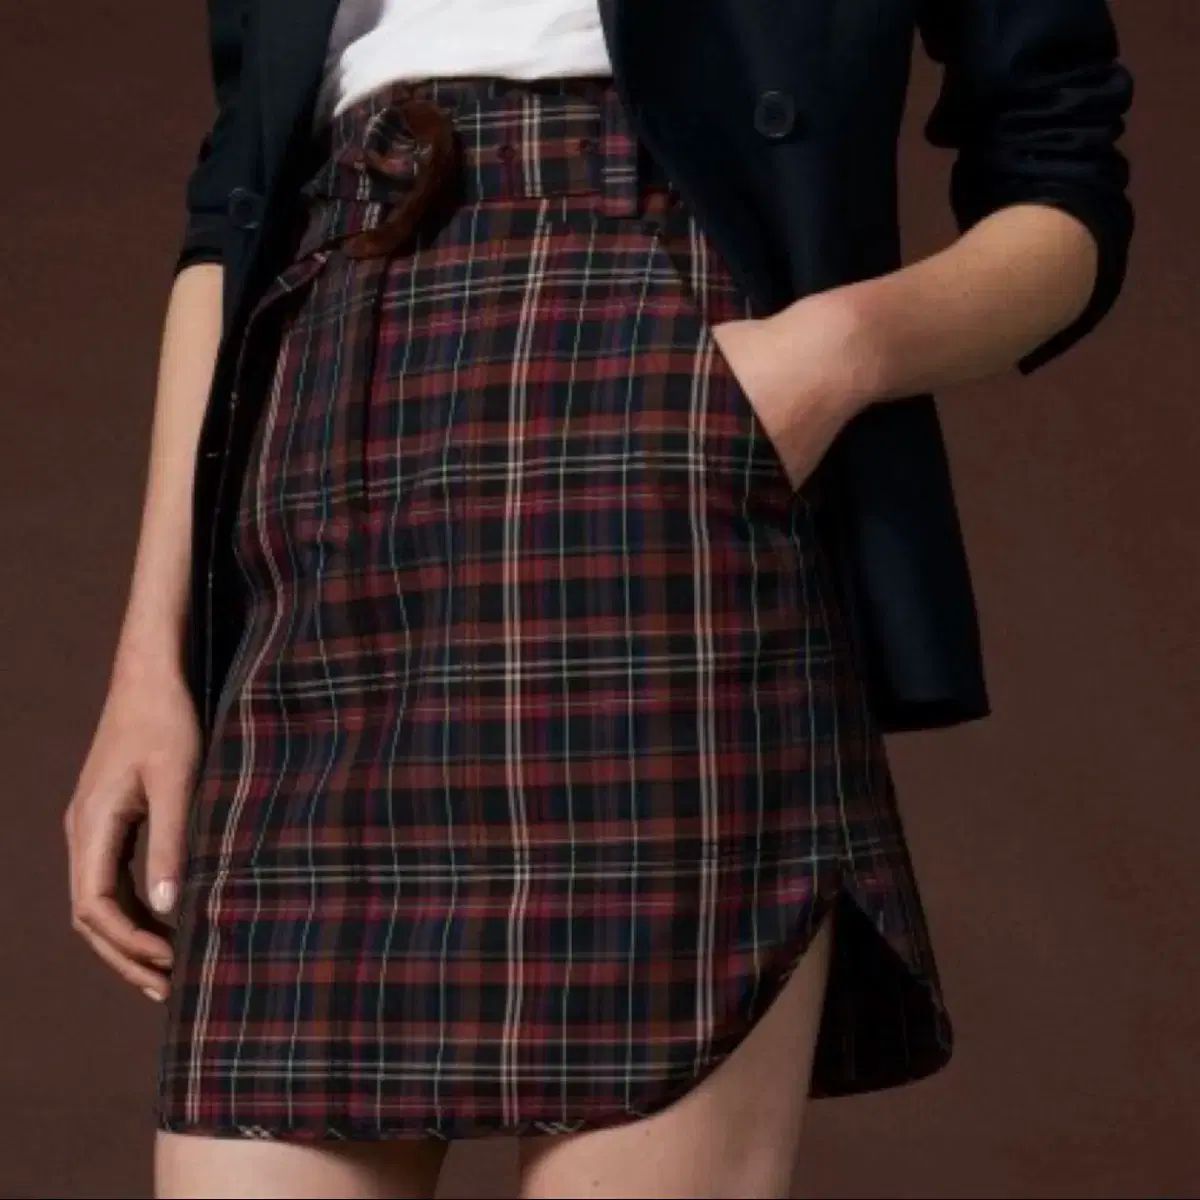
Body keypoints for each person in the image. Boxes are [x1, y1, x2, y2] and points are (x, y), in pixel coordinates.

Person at [63, 0, 1134, 1196]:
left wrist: (837, 352)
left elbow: (1060, 168)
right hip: (325, 446)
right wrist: (151, 661)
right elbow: (233, 212)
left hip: (649, 410)